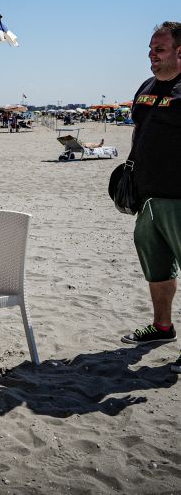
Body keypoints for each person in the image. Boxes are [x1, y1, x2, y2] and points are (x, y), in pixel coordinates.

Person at [120, 22, 181, 374]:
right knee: (157, 269)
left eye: (159, 49)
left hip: (180, 197)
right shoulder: (147, 87)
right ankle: (162, 327)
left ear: (179, 51)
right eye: (150, 50)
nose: (151, 56)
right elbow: (139, 131)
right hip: (147, 198)